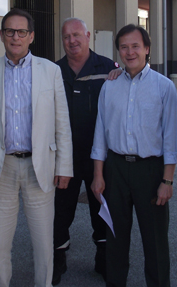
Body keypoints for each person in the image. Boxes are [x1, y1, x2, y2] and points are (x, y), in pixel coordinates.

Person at [0, 8, 73, 287]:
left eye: (22, 32)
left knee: (43, 244)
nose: (16, 37)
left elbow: (62, 123)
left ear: (32, 37)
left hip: (40, 168)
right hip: (0, 168)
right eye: (10, 31)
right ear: (2, 35)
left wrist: (64, 166)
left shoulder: (50, 71)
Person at [91, 24, 177, 287]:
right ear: (118, 51)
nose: (129, 52)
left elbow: (171, 139)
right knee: (115, 239)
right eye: (123, 47)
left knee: (155, 242)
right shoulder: (109, 85)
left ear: (147, 49)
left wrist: (167, 181)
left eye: (135, 46)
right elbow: (101, 133)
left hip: (151, 171)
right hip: (116, 169)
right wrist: (98, 175)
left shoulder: (164, 87)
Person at [52, 17, 119, 285]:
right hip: (64, 158)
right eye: (67, 36)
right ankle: (57, 260)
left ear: (88, 36)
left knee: (101, 210)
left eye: (77, 35)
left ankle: (104, 259)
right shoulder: (53, 70)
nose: (72, 41)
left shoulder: (108, 68)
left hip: (98, 158)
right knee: (59, 213)